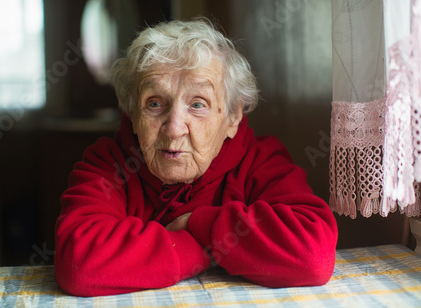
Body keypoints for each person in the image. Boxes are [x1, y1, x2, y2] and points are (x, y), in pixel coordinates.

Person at [54, 18, 338, 297]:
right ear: (132, 111)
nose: (174, 127)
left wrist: (199, 224)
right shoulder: (109, 164)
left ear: (233, 116)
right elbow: (79, 264)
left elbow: (312, 254)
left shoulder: (259, 161)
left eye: (197, 104)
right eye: (154, 103)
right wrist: (202, 246)